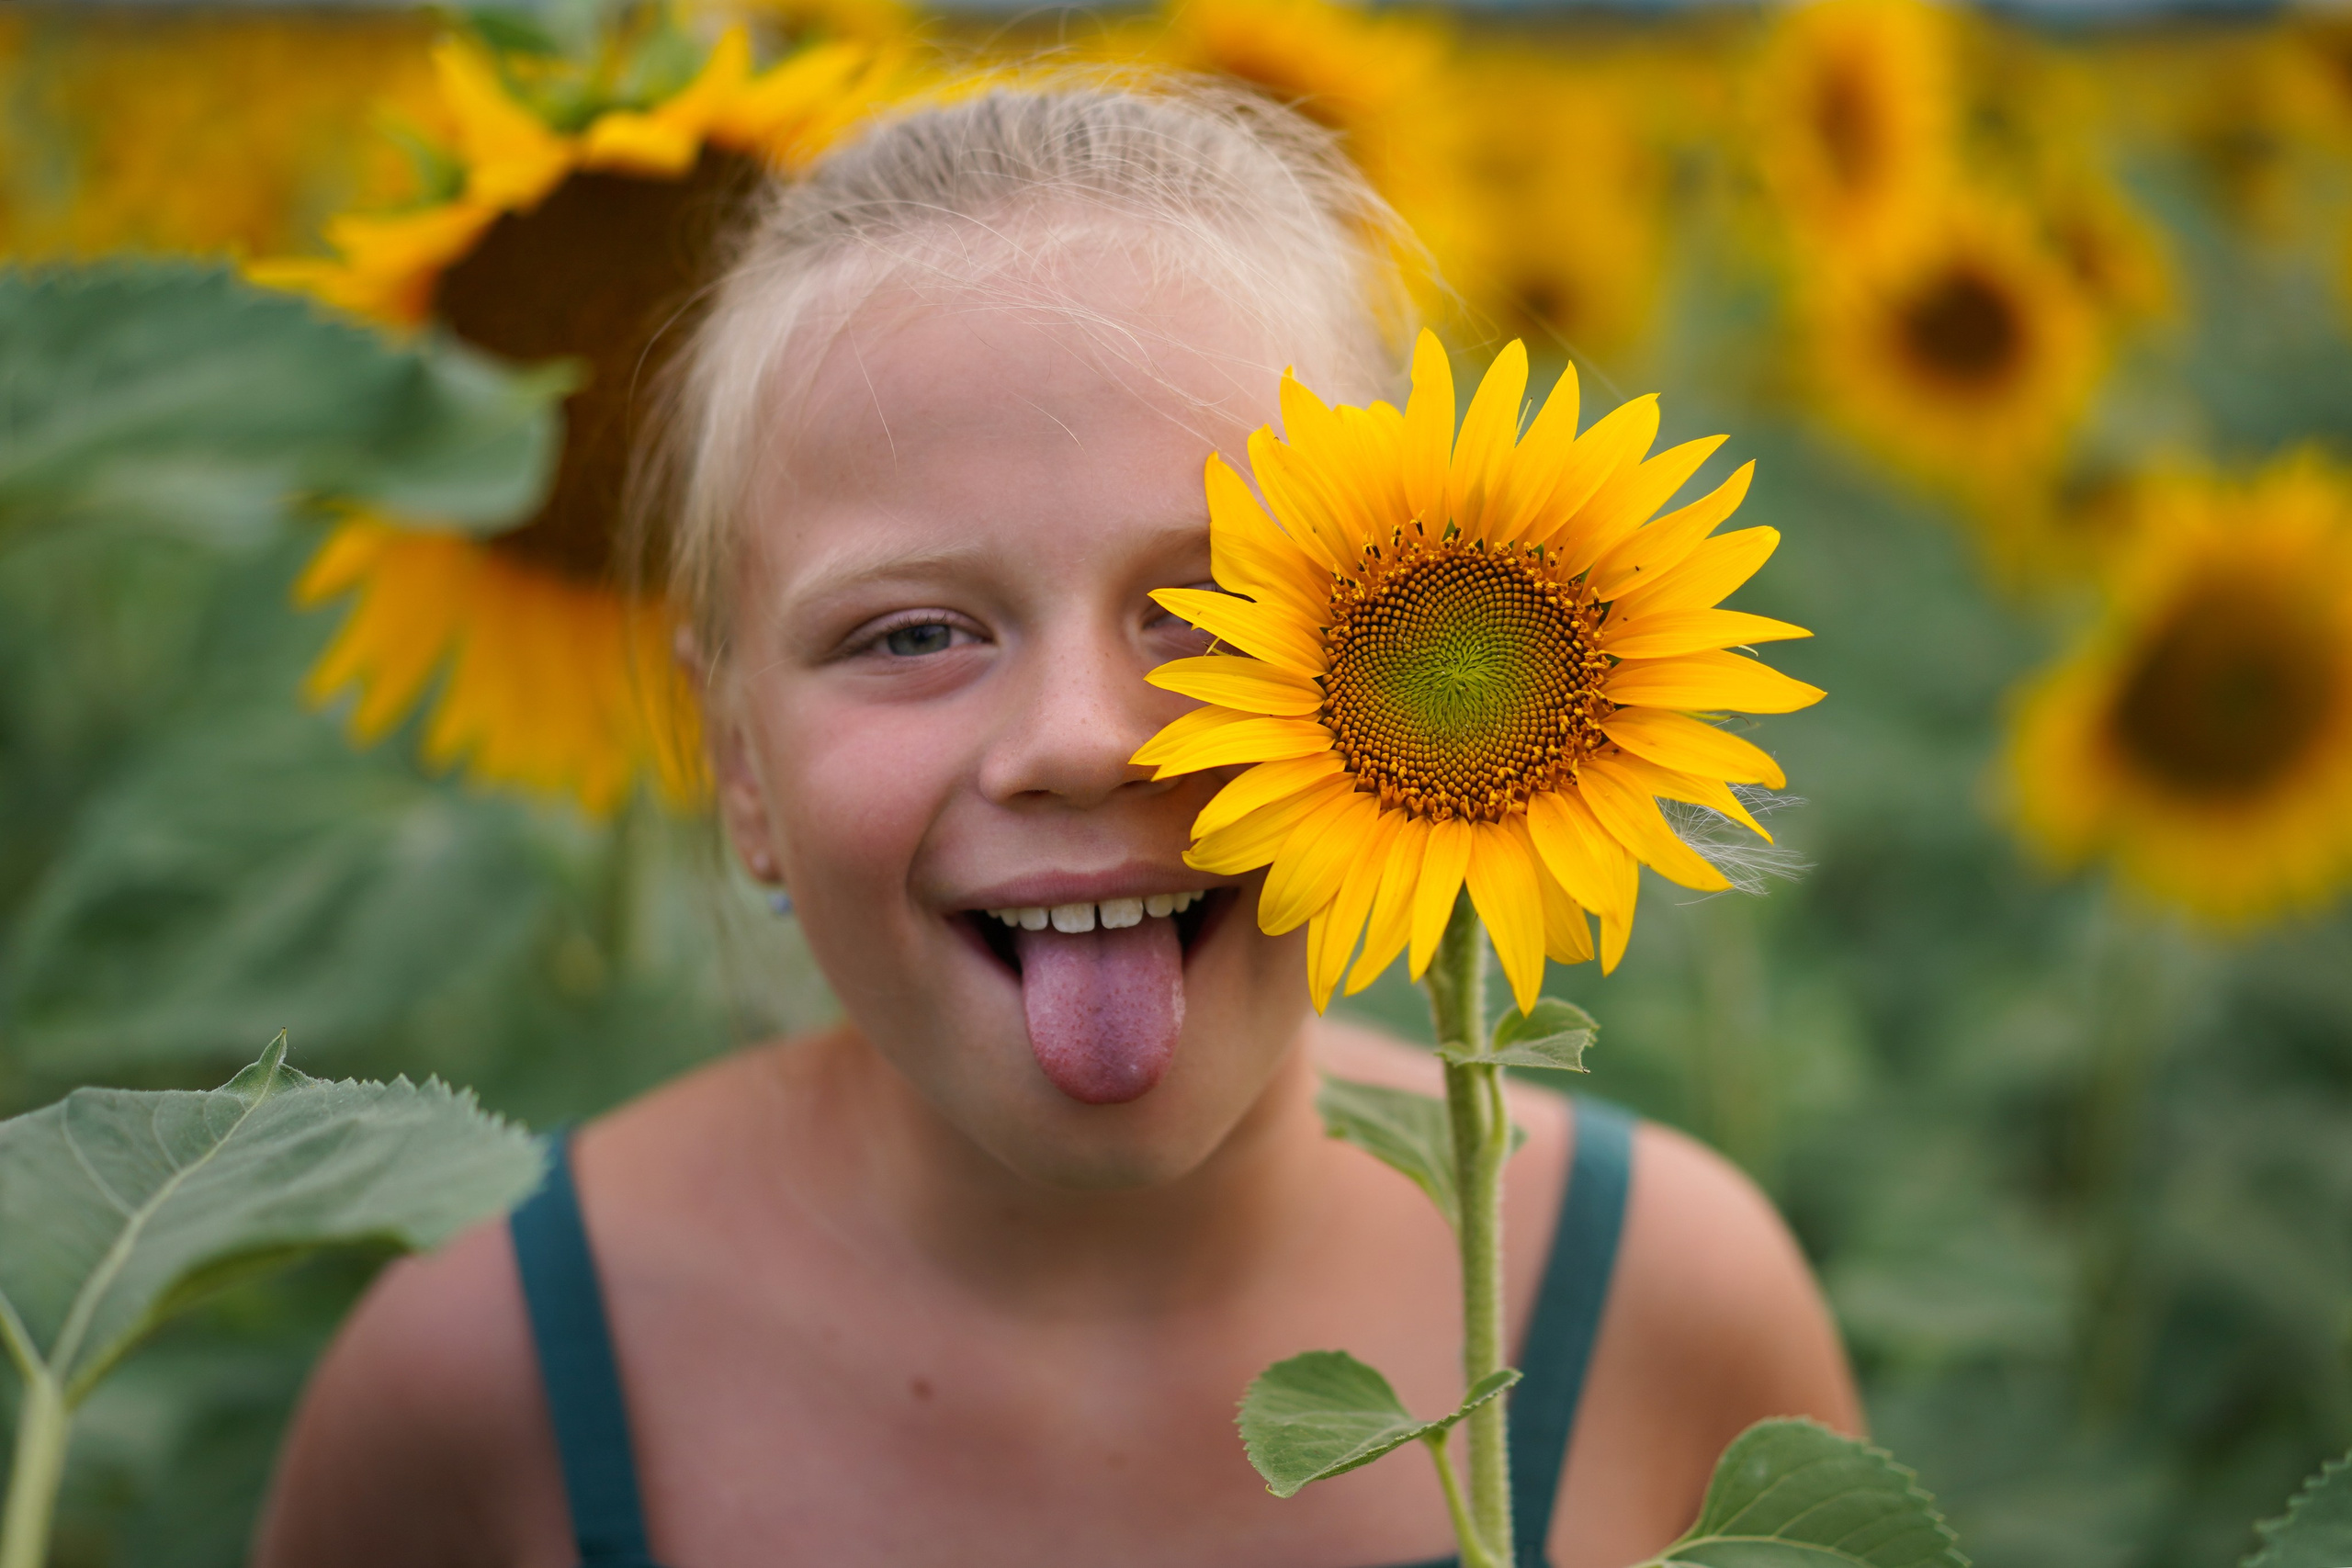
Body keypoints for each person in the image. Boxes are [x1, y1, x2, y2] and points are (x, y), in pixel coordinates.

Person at [254, 80, 1860, 1568]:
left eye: (1207, 609)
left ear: (1427, 632)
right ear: (739, 764)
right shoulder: (480, 1377)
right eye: (911, 635)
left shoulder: (1662, 1303)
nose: (1079, 743)